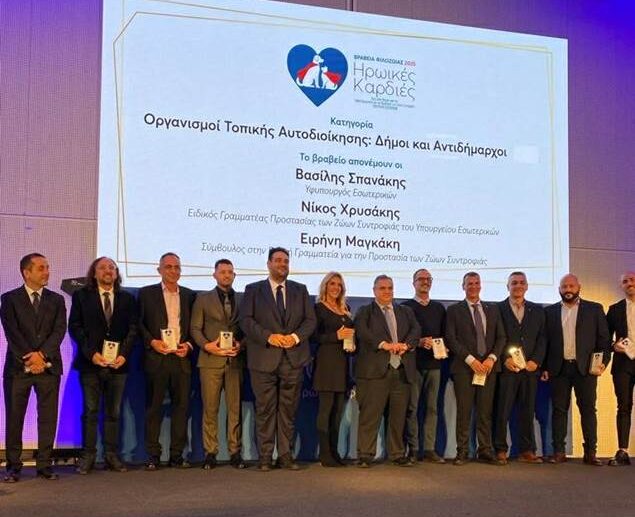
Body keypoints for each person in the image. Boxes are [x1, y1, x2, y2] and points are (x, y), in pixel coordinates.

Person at [239, 247, 316, 471]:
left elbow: (310, 321)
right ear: (269, 264)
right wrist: (269, 337)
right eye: (279, 260)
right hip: (263, 358)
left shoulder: (300, 290)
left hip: (293, 359)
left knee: (288, 411)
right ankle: (265, 456)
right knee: (264, 410)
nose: (283, 264)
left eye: (286, 261)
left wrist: (294, 337)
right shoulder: (253, 290)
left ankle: (285, 455)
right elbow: (246, 320)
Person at [1, 253, 66, 482]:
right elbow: (12, 332)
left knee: (48, 418)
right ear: (26, 273)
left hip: (49, 368)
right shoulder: (9, 299)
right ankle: (13, 467)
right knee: (14, 418)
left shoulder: (57, 300)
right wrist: (30, 358)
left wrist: (42, 355)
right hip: (18, 369)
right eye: (41, 268)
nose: (46, 272)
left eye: (47, 267)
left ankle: (45, 465)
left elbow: (59, 330)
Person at [69, 256, 137, 474]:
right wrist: (92, 354)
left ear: (116, 273)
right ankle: (88, 456)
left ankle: (111, 455)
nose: (108, 270)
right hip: (91, 364)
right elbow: (75, 327)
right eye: (103, 267)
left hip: (118, 365)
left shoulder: (127, 299)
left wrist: (123, 355)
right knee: (90, 411)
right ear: (94, 272)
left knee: (113, 413)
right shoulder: (81, 296)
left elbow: (133, 329)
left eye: (112, 267)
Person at [542, 273, 610, 466]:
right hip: (559, 369)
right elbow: (545, 342)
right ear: (559, 289)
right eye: (564, 287)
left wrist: (602, 362)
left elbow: (604, 340)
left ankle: (590, 453)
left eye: (571, 286)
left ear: (579, 287)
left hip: (586, 369)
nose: (568, 290)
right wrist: (544, 367)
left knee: (588, 410)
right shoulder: (549, 312)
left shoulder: (594, 309)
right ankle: (559, 452)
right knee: (559, 411)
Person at [354, 275, 420, 467]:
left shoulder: (405, 311)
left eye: (390, 288)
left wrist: (406, 345)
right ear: (374, 290)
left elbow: (416, 330)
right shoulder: (365, 311)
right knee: (370, 416)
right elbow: (362, 332)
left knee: (398, 417)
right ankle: (365, 455)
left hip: (401, 371)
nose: (387, 291)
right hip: (375, 372)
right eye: (382, 288)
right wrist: (384, 345)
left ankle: (397, 453)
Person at [138, 252, 195, 470]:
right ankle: (153, 455)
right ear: (159, 270)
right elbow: (139, 324)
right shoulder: (146, 293)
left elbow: (195, 327)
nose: (173, 271)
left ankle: (177, 455)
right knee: (154, 409)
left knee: (181, 408)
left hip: (181, 359)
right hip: (157, 358)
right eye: (169, 267)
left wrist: (188, 345)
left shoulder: (190, 295)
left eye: (177, 267)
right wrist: (152, 342)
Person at [445, 272, 506, 466]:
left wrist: (491, 358)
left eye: (476, 283)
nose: (473, 286)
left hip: (488, 368)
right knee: (464, 412)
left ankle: (485, 450)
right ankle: (462, 451)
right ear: (463, 286)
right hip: (464, 368)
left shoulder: (493, 309)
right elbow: (451, 338)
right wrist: (471, 360)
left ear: (481, 285)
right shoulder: (454, 310)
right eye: (469, 283)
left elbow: (501, 337)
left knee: (485, 412)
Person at [190, 258, 245, 470]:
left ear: (234, 275)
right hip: (210, 361)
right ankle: (210, 452)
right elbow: (195, 328)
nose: (227, 275)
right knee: (210, 409)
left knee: (235, 409)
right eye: (222, 272)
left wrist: (241, 345)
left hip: (235, 360)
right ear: (214, 275)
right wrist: (207, 346)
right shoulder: (203, 299)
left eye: (230, 272)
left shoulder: (242, 299)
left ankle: (235, 452)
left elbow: (247, 329)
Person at [494, 272, 546, 464]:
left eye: (521, 282)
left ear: (527, 286)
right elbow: (494, 337)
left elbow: (543, 338)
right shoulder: (497, 309)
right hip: (507, 369)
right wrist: (504, 359)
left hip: (530, 370)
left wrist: (536, 361)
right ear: (507, 286)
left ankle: (526, 450)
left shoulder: (537, 310)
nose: (518, 285)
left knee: (527, 411)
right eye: (514, 283)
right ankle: (500, 449)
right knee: (502, 411)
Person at [401, 268, 447, 464]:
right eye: (421, 279)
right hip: (413, 365)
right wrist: (418, 342)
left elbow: (446, 335)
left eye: (428, 279)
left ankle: (429, 449)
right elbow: (401, 337)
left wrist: (444, 347)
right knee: (412, 408)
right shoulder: (405, 307)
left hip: (435, 365)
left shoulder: (439, 308)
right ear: (413, 283)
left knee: (432, 408)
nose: (425, 282)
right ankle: (413, 449)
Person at [312, 272, 355, 467]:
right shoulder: (318, 308)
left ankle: (334, 452)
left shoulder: (346, 309)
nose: (336, 287)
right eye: (332, 284)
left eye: (339, 284)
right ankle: (325, 454)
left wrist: (352, 344)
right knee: (325, 411)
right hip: (326, 365)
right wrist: (335, 336)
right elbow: (314, 338)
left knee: (338, 413)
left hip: (343, 364)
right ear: (325, 286)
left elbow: (350, 335)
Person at [605, 271, 635, 466]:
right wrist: (613, 346)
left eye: (632, 280)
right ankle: (623, 451)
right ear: (621, 286)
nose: (629, 283)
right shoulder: (614, 309)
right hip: (623, 364)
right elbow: (605, 338)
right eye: (625, 281)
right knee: (624, 406)